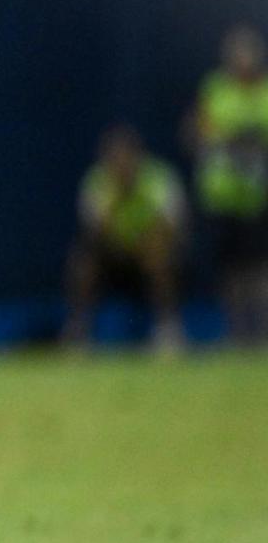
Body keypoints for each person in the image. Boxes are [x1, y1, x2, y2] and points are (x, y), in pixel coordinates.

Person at [63, 125, 187, 351]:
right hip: (113, 257)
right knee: (82, 262)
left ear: (138, 155)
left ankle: (168, 330)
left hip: (149, 255)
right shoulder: (97, 181)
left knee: (157, 252)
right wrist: (118, 198)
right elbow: (93, 232)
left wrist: (145, 240)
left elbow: (174, 228)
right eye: (114, 157)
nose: (121, 163)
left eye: (126, 156)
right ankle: (78, 330)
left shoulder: (158, 178)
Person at [193, 25, 268, 343]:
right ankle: (237, 331)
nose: (244, 62)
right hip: (221, 194)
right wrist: (227, 142)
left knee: (260, 265)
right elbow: (197, 132)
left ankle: (263, 329)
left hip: (258, 194)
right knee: (230, 267)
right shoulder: (216, 88)